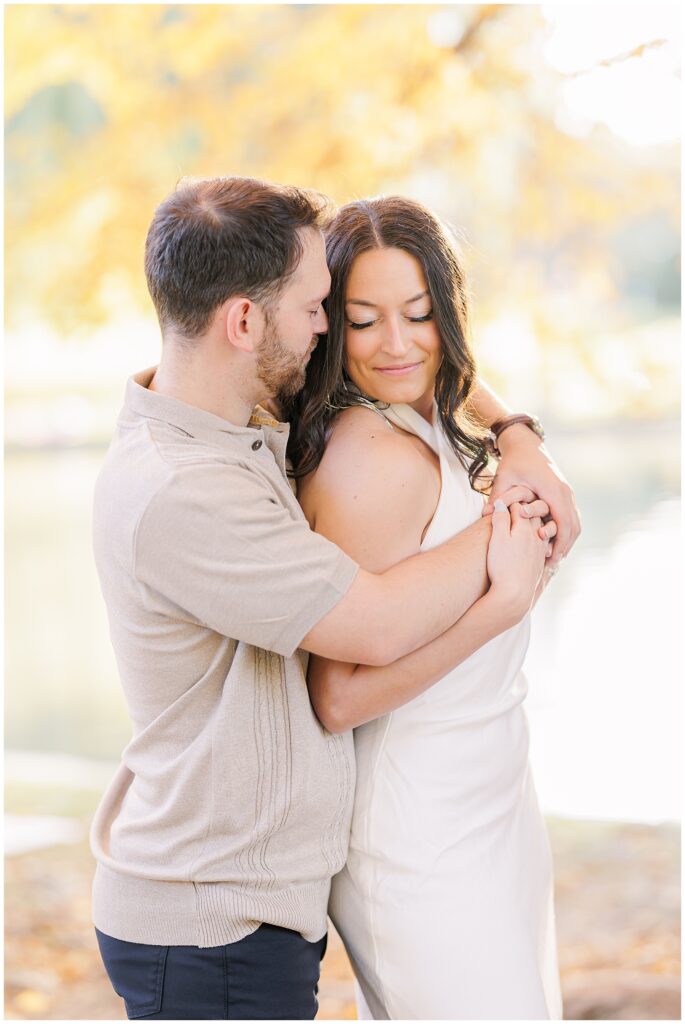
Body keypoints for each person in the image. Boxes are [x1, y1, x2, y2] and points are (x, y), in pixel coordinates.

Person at [90, 176, 576, 1020]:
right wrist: (511, 533)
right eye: (330, 312)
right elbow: (360, 653)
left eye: (420, 311)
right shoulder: (190, 490)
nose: (327, 330)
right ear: (246, 323)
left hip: (270, 893)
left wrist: (514, 432)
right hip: (216, 909)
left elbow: (412, 354)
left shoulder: (237, 417)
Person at [287, 195, 569, 1019]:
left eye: (418, 313)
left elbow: (556, 505)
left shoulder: (427, 422)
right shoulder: (369, 459)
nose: (397, 343)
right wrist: (499, 605)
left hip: (491, 792)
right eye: (363, 321)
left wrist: (515, 431)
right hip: (418, 827)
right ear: (330, 328)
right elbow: (334, 696)